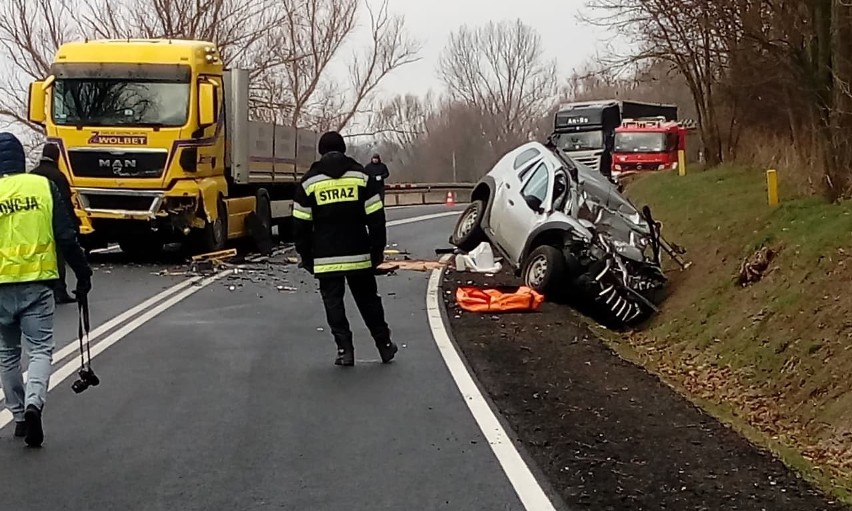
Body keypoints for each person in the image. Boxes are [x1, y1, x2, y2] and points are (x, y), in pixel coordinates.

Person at [0, 132, 92, 447]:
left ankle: (20, 418)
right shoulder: (42, 187)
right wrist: (82, 273)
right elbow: (66, 236)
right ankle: (34, 403)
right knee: (39, 350)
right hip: (37, 284)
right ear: (21, 160)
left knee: (7, 354)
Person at [293, 132, 397, 367]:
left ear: (320, 151)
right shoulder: (361, 177)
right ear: (344, 149)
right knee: (369, 301)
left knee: (333, 303)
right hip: (359, 253)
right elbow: (376, 218)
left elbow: (300, 224)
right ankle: (384, 346)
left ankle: (344, 350)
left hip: (325, 256)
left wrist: (306, 256)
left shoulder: (309, 182)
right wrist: (376, 251)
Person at [30, 142, 79, 304]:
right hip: (53, 222)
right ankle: (59, 290)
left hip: (34, 223)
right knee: (57, 257)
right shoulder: (58, 176)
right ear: (56, 156)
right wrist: (74, 223)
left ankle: (38, 288)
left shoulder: (32, 175)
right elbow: (65, 202)